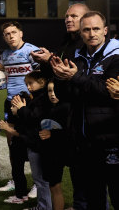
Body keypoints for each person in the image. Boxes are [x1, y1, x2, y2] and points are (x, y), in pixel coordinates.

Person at [50, 11, 118, 209]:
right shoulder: (77, 57)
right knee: (94, 198)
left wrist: (75, 78)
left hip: (112, 139)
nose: (91, 33)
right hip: (85, 141)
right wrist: (61, 78)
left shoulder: (116, 55)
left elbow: (107, 92)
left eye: (96, 29)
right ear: (81, 33)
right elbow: (66, 95)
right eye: (86, 30)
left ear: (105, 30)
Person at [31, 3, 91, 210]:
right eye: (67, 16)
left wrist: (51, 60)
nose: (68, 19)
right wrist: (46, 61)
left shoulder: (86, 45)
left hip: (82, 116)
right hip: (64, 117)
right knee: (72, 171)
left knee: (87, 177)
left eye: (74, 16)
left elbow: (77, 75)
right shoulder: (66, 42)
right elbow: (56, 78)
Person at [0, 21, 40, 202]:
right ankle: (16, 179)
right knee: (12, 143)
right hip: (9, 102)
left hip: (28, 103)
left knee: (33, 145)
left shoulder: (32, 51)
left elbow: (40, 78)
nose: (11, 36)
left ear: (21, 33)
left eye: (13, 32)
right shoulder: (5, 55)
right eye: (7, 34)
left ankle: (38, 183)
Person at [11, 71, 52, 210]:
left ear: (41, 82)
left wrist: (21, 109)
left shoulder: (42, 98)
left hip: (38, 143)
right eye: (26, 84)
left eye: (31, 83)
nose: (28, 87)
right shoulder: (37, 97)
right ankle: (43, 205)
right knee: (41, 179)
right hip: (36, 142)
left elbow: (34, 118)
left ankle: (44, 207)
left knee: (41, 180)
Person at [38, 80, 70, 210]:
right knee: (52, 185)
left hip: (61, 152)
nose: (52, 94)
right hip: (49, 152)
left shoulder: (67, 108)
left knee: (55, 186)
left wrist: (53, 134)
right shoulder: (48, 108)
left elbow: (71, 131)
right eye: (50, 90)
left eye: (55, 90)